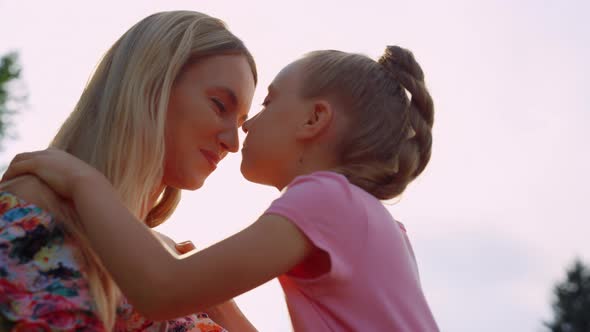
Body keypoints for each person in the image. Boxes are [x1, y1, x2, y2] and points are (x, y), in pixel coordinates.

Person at [4, 45, 440, 331]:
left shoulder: (325, 199)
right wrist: (220, 305)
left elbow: (161, 292)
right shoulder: (373, 224)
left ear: (314, 120)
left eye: (268, 102)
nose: (246, 126)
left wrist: (82, 181)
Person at [0, 10, 258, 331]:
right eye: (220, 106)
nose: (233, 143)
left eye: (240, 123)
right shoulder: (33, 208)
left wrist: (218, 302)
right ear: (151, 86)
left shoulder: (173, 266)